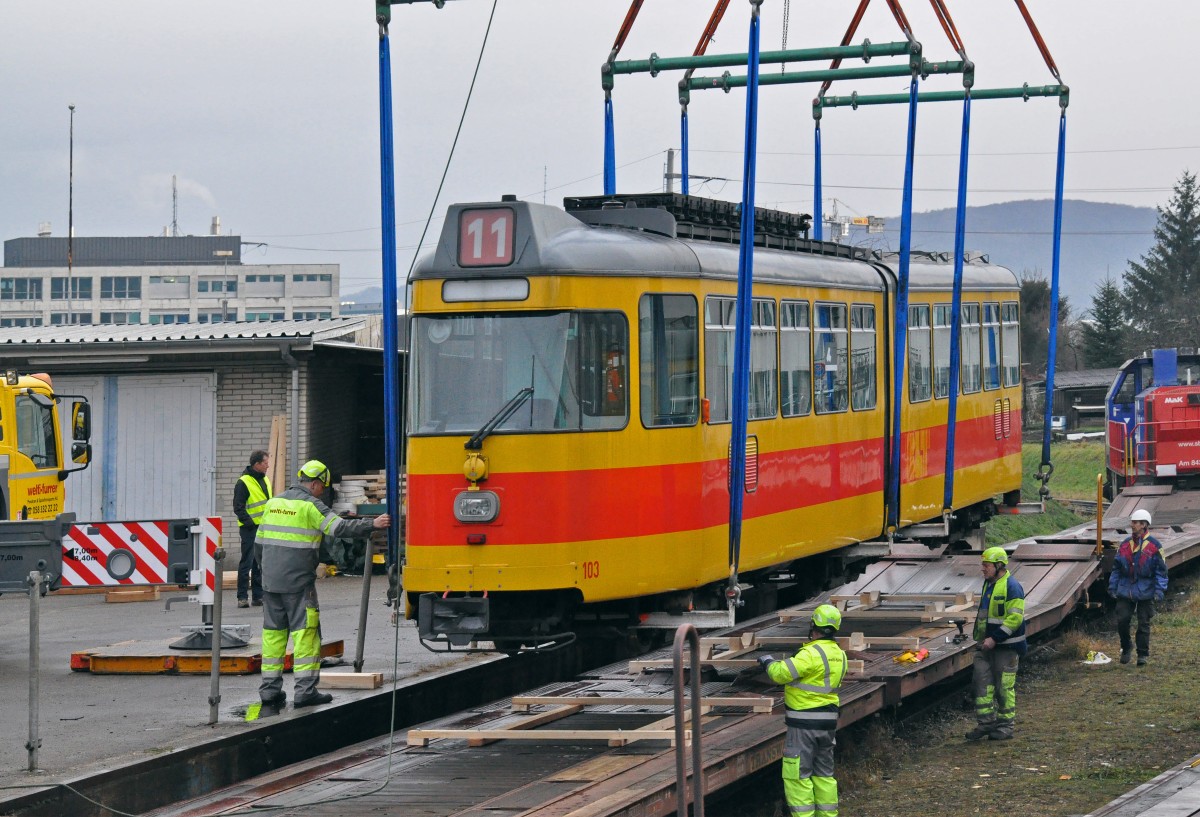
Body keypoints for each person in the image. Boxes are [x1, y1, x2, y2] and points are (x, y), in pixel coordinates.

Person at [256, 459, 390, 707]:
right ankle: (305, 692)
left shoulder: (274, 503)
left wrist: (266, 574)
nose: (323, 493)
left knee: (273, 636)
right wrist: (372, 524)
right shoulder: (311, 506)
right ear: (316, 484)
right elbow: (339, 529)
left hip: (270, 583)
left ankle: (269, 691)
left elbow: (259, 545)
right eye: (323, 488)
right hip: (298, 584)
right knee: (306, 634)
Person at [758, 603, 848, 817]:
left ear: (814, 625)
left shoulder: (811, 653)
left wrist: (768, 662)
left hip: (803, 725)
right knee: (823, 775)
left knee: (797, 776)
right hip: (827, 724)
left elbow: (781, 674)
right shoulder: (840, 655)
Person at [966, 547, 1026, 741]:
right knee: (981, 685)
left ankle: (1005, 727)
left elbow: (1014, 619)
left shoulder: (1012, 586)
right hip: (985, 646)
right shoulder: (989, 584)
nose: (983, 569)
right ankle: (986, 724)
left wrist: (995, 638)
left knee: (1004, 687)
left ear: (999, 565)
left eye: (986, 565)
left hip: (1006, 647)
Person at [1109, 508, 1168, 667]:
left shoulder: (1155, 546)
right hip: (1126, 588)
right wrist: (1112, 587)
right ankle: (1126, 646)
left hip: (1146, 589)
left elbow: (1161, 571)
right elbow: (1116, 568)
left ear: (1144, 525)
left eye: (1135, 522)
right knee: (1122, 620)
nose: (1132, 525)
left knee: (1143, 623)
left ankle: (1142, 654)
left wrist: (1159, 590)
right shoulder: (1125, 544)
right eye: (1132, 522)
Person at [233, 450, 272, 608]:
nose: (268, 465)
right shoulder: (243, 482)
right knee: (247, 562)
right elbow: (238, 507)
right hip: (250, 529)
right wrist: (250, 523)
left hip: (263, 528)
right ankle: (242, 597)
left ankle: (258, 596)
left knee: (259, 563)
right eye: (265, 463)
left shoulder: (265, 479)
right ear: (257, 464)